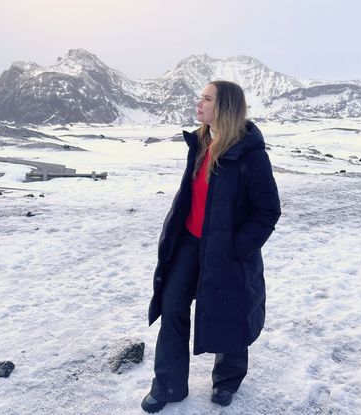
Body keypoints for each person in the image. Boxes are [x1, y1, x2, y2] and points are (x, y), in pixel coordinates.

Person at [141, 80, 281, 413]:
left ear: (224, 107)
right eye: (201, 97)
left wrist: (236, 247)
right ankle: (169, 385)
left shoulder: (249, 154)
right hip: (190, 241)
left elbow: (268, 211)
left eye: (206, 98)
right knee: (173, 304)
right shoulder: (202, 141)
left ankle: (227, 381)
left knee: (230, 310)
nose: (198, 103)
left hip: (228, 249)